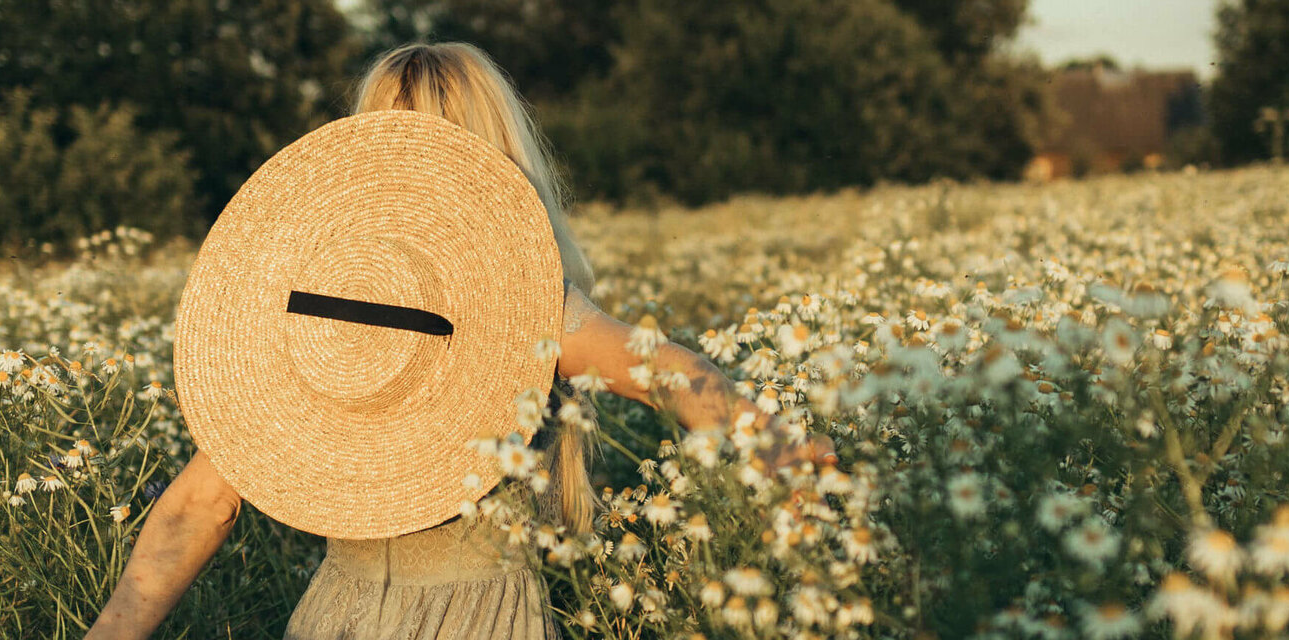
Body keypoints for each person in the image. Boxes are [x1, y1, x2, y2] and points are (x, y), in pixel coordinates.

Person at [83, 41, 836, 640]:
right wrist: (777, 453)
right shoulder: (526, 301)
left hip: (331, 620)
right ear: (493, 148)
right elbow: (668, 372)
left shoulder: (317, 309)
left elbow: (200, 506)